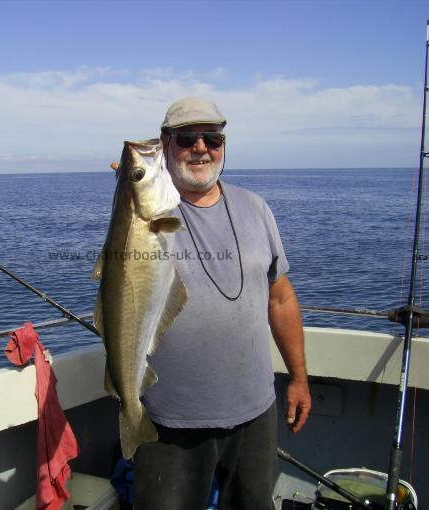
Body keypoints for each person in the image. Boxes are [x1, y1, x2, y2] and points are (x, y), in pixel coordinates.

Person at [133, 97, 311, 510]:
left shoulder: (256, 208)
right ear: (165, 143)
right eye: (187, 138)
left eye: (212, 138)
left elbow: (281, 298)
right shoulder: (148, 211)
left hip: (254, 411)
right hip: (168, 417)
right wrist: (136, 181)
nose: (201, 148)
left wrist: (299, 378)